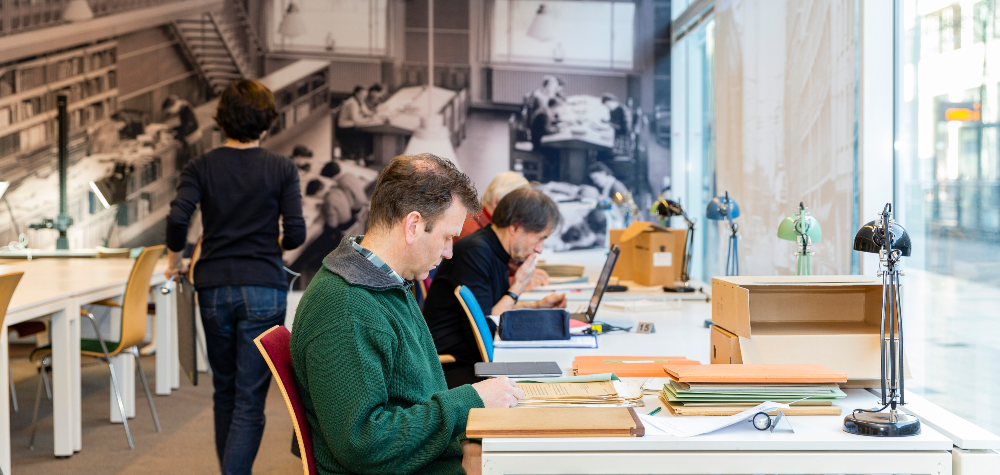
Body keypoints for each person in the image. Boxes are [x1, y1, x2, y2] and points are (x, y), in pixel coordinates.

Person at [290, 154, 524, 475]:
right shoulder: (348, 307)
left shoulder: (387, 281)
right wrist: (468, 401)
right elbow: (364, 444)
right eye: (446, 237)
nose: (449, 252)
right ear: (413, 225)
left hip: (431, 457)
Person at [164, 79, 305, 475]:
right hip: (263, 287)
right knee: (249, 399)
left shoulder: (200, 166)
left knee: (224, 391)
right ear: (266, 123)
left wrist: (175, 258)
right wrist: (269, 241)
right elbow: (296, 233)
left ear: (221, 120)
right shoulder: (281, 168)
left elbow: (178, 218)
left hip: (213, 290)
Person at [423, 186, 568, 388]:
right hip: (456, 370)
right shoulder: (476, 252)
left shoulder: (492, 249)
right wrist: (517, 287)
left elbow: (494, 309)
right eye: (540, 237)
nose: (539, 249)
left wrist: (536, 306)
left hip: (477, 361)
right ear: (515, 227)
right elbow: (489, 326)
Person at [459, 171, 529, 240]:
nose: (521, 213)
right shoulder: (472, 232)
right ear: (496, 202)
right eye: (517, 206)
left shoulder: (486, 228)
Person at [335, 86, 382, 162]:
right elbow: (356, 120)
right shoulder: (352, 103)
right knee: (367, 135)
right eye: (362, 94)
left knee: (369, 135)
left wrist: (374, 114)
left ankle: (367, 155)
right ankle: (364, 156)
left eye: (365, 95)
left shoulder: (360, 100)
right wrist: (369, 120)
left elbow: (366, 112)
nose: (364, 96)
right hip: (345, 128)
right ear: (356, 93)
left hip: (353, 125)